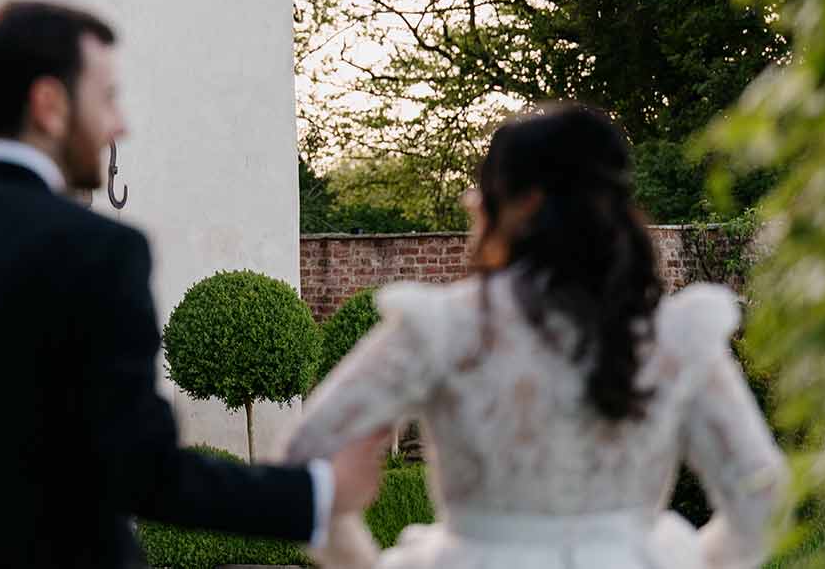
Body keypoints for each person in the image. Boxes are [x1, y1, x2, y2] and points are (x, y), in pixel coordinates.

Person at [0, 0, 381, 569]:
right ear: (50, 105)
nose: (119, 124)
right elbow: (140, 469)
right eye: (106, 98)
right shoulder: (100, 252)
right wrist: (317, 492)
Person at [286, 102, 789, 569]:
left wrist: (363, 565)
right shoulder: (672, 334)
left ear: (520, 204)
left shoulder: (442, 326)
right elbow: (762, 493)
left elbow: (304, 465)